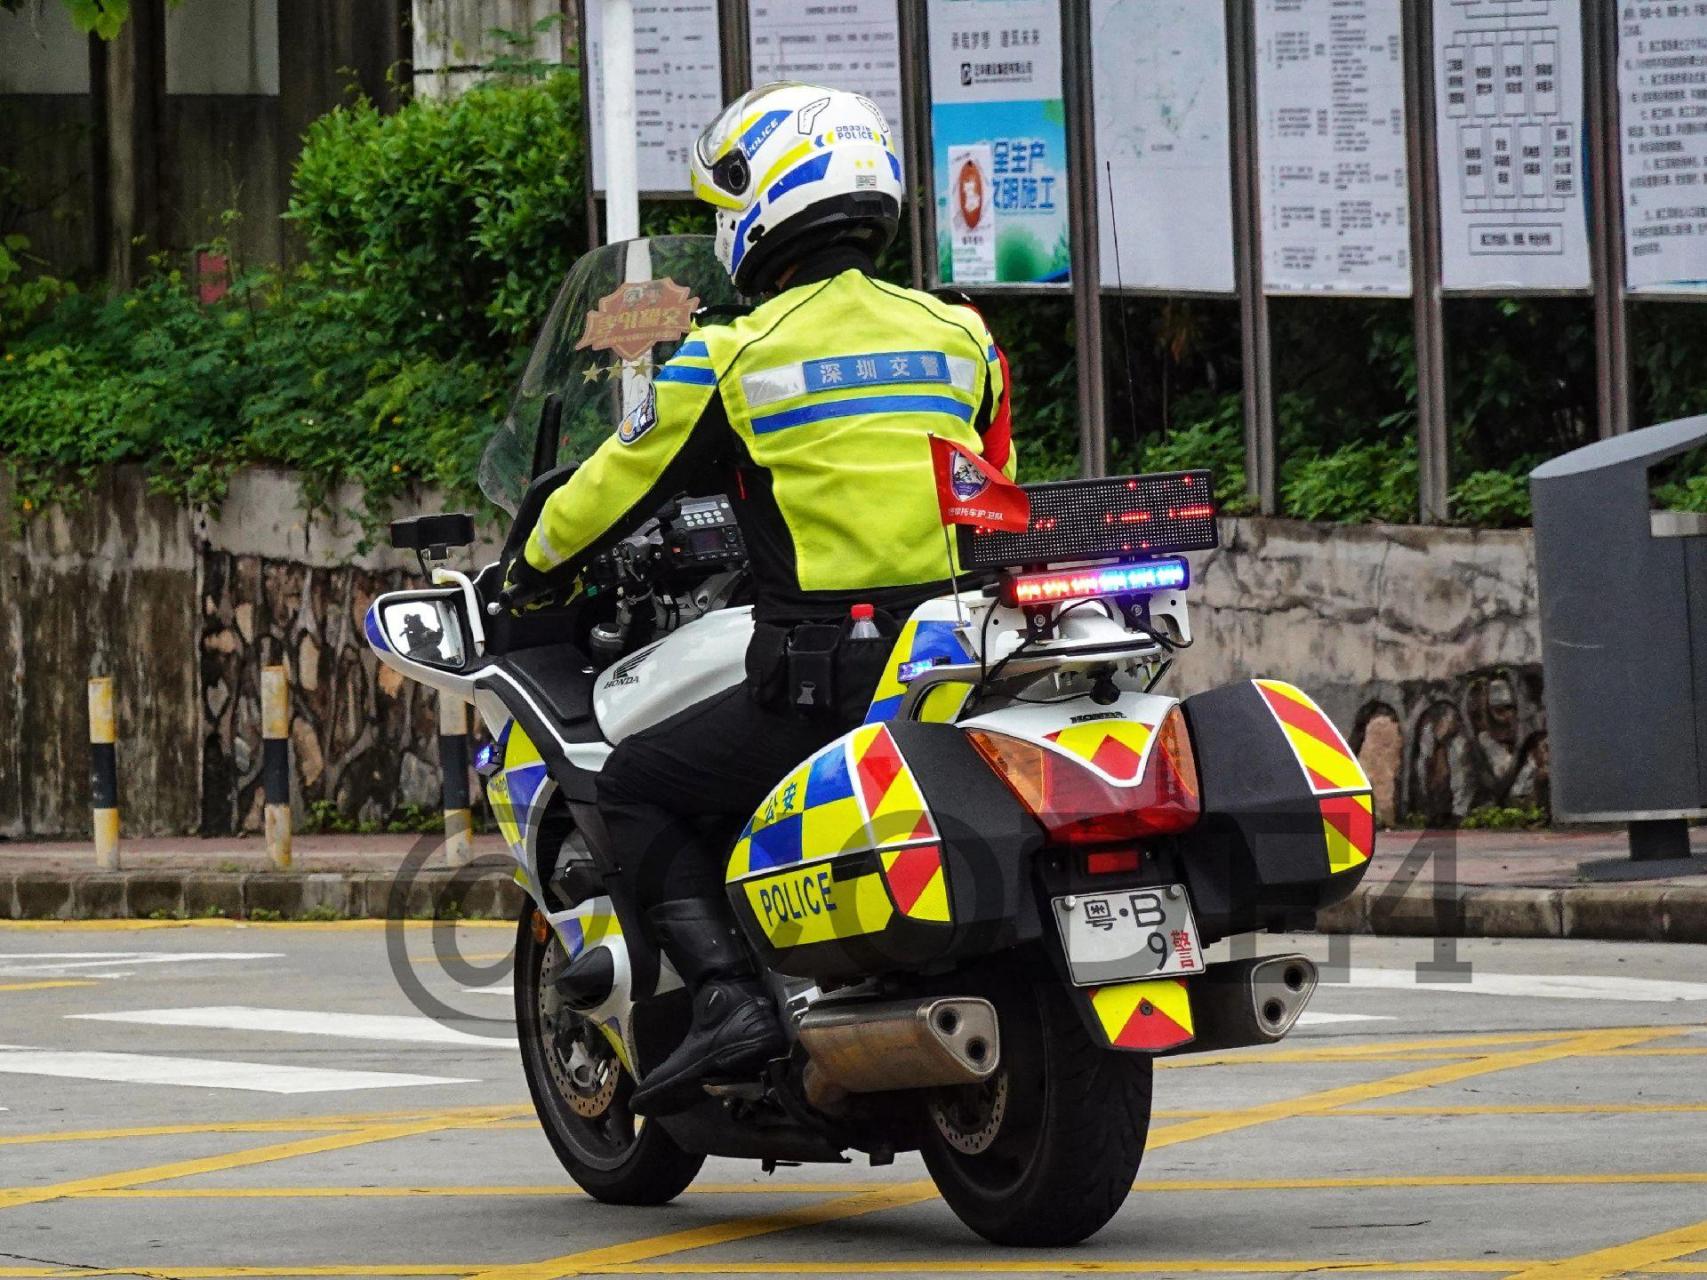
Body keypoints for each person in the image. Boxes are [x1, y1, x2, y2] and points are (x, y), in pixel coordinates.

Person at [507, 82, 1015, 1116]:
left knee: (638, 781)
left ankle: (733, 995)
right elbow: (996, 484)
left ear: (764, 205)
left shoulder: (733, 356)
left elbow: (610, 485)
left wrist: (526, 566)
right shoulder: (963, 337)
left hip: (827, 678)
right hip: (964, 658)